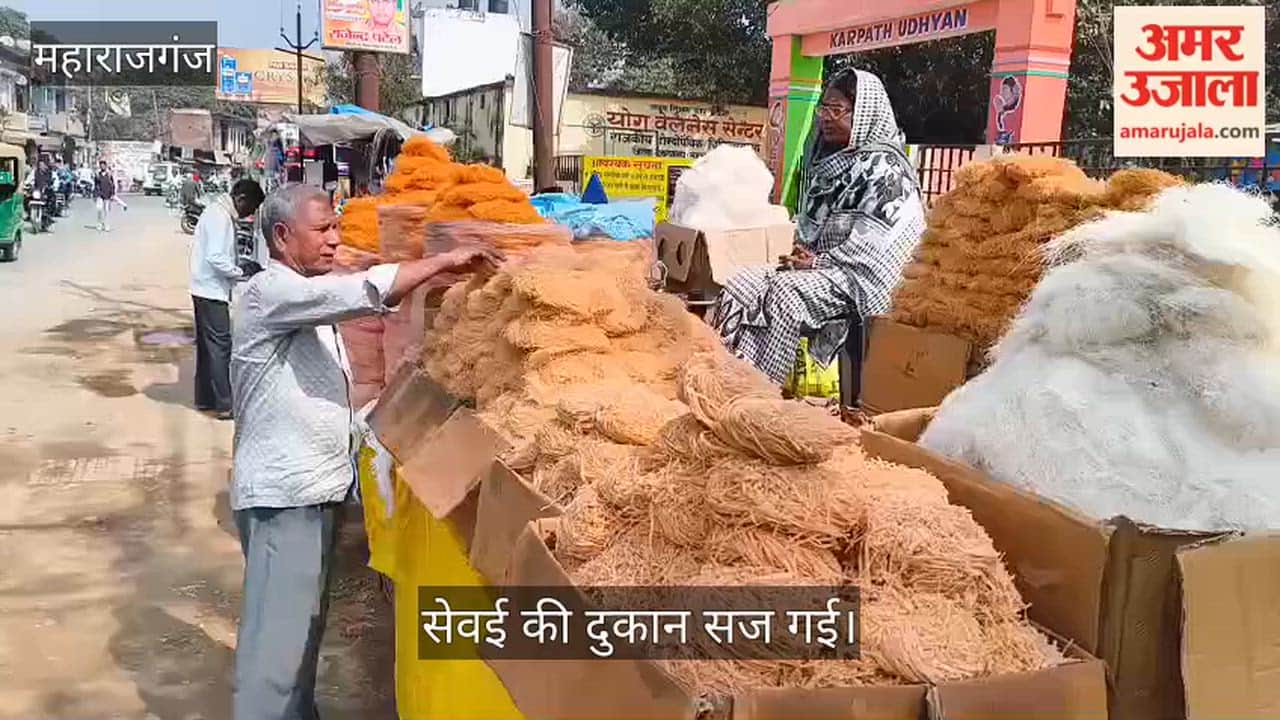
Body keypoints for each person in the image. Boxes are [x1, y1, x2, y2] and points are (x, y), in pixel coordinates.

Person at [229, 183, 501, 719]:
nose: (334, 240)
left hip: (314, 490)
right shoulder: (271, 293)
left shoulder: (303, 296)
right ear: (282, 236)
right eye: (322, 230)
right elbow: (364, 291)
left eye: (335, 228)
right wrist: (444, 260)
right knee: (277, 649)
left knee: (302, 631)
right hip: (286, 498)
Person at [708, 68, 925, 385]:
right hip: (827, 268)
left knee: (784, 295)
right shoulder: (834, 164)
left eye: (836, 110)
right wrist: (803, 251)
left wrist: (817, 261)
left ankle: (761, 394)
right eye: (823, 108)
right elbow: (815, 228)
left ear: (864, 113)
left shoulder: (885, 169)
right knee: (744, 280)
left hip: (864, 281)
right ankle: (728, 379)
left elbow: (877, 252)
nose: (824, 117)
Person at [189, 179, 266, 420]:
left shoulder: (217, 212)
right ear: (241, 198)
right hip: (211, 290)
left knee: (207, 347)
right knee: (220, 347)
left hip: (204, 287)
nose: (250, 213)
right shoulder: (220, 217)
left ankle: (205, 398)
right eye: (251, 207)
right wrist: (240, 272)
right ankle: (224, 403)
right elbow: (215, 257)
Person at [93, 160, 118, 231]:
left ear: (106, 166)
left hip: (107, 194)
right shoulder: (97, 175)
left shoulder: (109, 175)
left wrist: (113, 194)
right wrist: (95, 194)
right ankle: (99, 224)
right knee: (99, 210)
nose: (102, 166)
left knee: (106, 211)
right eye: (101, 165)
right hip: (99, 194)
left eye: (103, 165)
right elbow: (96, 185)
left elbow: (112, 185)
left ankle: (107, 225)